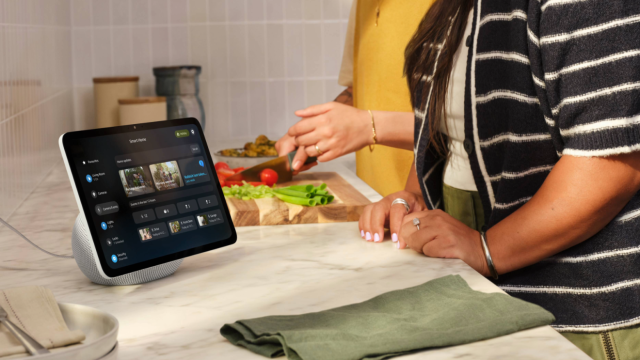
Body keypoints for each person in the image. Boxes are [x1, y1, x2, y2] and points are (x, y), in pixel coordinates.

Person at [352, 0, 640, 358]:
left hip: (578, 314)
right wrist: (414, 201)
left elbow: (608, 164)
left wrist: (486, 249)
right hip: (480, 294)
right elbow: (448, 130)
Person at [276, 0, 435, 197]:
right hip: (373, 204)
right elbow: (359, 90)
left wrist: (368, 125)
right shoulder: (362, 4)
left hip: (431, 210)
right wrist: (313, 130)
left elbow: (466, 125)